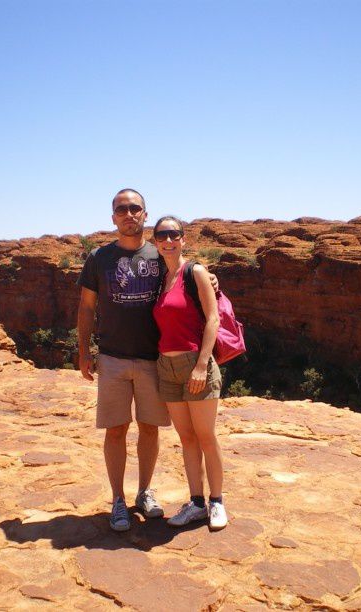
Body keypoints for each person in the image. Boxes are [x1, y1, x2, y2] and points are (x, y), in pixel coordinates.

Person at [76, 189, 218, 532]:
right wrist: (83, 351)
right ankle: (117, 501)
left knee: (150, 428)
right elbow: (86, 307)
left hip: (153, 359)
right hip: (111, 357)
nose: (128, 214)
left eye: (135, 208)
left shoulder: (160, 252)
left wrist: (212, 277)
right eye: (121, 209)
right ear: (113, 217)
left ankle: (144, 492)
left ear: (144, 214)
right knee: (116, 429)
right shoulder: (99, 258)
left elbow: (189, 273)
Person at [152, 215, 228, 530]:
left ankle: (217, 502)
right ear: (155, 241)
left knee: (206, 437)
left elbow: (213, 319)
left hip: (195, 363)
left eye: (174, 234)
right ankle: (196, 502)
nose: (168, 240)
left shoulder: (194, 272)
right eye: (161, 235)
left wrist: (201, 365)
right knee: (186, 438)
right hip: (166, 367)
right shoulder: (158, 277)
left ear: (183, 239)